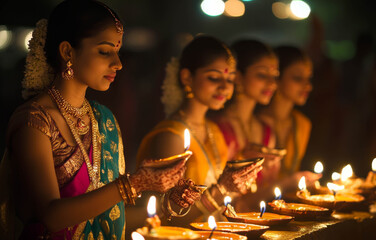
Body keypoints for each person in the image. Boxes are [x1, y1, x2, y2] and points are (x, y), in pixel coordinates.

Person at [0, 1, 200, 239]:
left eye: (117, 51)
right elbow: (50, 216)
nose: (118, 63)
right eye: (105, 51)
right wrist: (133, 184)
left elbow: (112, 217)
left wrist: (167, 201)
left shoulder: (103, 119)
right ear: (67, 51)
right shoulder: (35, 122)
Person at [136, 35, 263, 224]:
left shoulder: (213, 130)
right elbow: (165, 217)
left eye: (230, 79)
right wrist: (221, 190)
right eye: (213, 77)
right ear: (187, 77)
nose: (224, 87)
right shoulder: (170, 136)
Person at [209, 39, 280, 189]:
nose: (272, 83)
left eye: (275, 76)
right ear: (238, 77)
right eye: (262, 75)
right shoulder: (216, 128)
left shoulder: (266, 130)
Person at [256, 45, 320, 194]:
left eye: (308, 79)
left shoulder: (302, 123)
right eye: (298, 78)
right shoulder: (258, 122)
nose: (308, 86)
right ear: (277, 79)